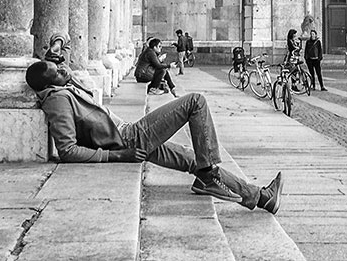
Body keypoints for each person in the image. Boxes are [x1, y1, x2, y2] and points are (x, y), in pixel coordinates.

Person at [26, 59, 283, 214]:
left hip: (127, 136)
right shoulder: (57, 99)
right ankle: (207, 175)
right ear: (48, 83)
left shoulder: (61, 86)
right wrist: (118, 156)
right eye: (56, 71)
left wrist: (59, 62)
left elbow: (59, 59)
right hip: (129, 138)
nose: (63, 69)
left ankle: (261, 198)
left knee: (194, 159)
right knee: (195, 102)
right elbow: (67, 150)